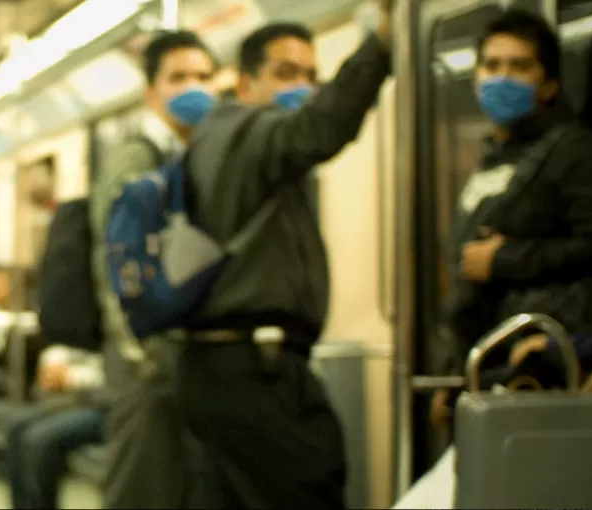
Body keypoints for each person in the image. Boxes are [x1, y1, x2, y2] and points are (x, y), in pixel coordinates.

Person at [155, 2, 393, 507]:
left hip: (223, 370)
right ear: (244, 85)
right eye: (285, 73)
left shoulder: (219, 141)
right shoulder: (247, 133)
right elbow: (319, 129)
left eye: (310, 75)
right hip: (256, 374)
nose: (301, 87)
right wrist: (381, 44)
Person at [431, 9, 592, 427]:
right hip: (489, 361)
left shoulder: (572, 150)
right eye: (491, 65)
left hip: (546, 359)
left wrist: (506, 260)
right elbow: (470, 285)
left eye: (519, 66)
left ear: (549, 83)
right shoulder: (490, 161)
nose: (502, 78)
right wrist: (453, 376)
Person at [88, 29, 220, 509]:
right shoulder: (138, 158)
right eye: (178, 77)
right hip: (143, 356)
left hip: (177, 352)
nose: (193, 87)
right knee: (143, 487)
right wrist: (136, 351)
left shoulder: (196, 156)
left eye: (204, 76)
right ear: (151, 92)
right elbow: (113, 260)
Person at [5, 345, 106, 509]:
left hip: (110, 405)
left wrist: (73, 376)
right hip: (83, 398)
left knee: (38, 439)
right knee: (16, 429)